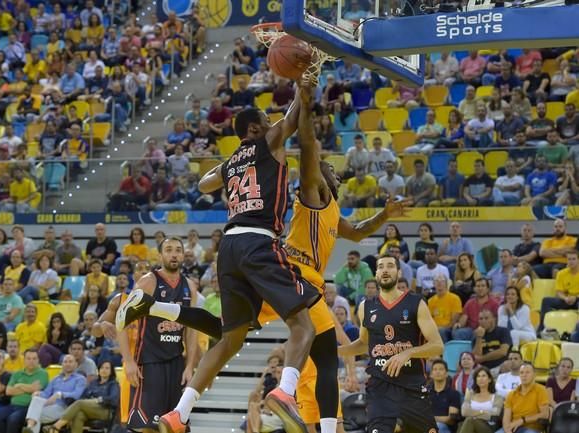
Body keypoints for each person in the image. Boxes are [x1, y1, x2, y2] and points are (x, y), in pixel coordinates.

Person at [118, 85, 321, 433]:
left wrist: (229, 168)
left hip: (228, 247)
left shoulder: (230, 164)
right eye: (265, 120)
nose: (272, 123)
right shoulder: (268, 141)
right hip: (259, 241)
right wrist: (306, 84)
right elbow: (293, 117)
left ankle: (178, 414)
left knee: (230, 338)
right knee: (304, 326)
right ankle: (285, 392)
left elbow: (203, 185)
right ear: (255, 129)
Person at [338, 255, 444, 433]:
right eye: (381, 267)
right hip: (381, 387)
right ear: (376, 273)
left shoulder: (415, 303)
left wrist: (407, 353)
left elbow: (437, 345)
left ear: (399, 272)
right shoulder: (366, 306)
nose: (385, 270)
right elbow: (365, 344)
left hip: (412, 385)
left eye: (390, 266)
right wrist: (336, 350)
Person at [112, 238, 199, 432]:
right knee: (146, 427)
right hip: (148, 364)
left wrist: (190, 365)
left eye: (178, 250)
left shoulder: (190, 287)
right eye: (168, 250)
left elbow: (191, 330)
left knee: (175, 427)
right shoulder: (148, 282)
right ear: (160, 256)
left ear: (183, 255)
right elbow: (122, 320)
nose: (174, 254)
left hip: (176, 364)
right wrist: (129, 362)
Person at [43, 361, 119, 433]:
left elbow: (114, 400)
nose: (104, 370)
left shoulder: (113, 384)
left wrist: (99, 400)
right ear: (98, 370)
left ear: (111, 371)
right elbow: (83, 396)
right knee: (79, 414)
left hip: (105, 410)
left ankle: (56, 426)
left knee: (80, 403)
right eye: (102, 368)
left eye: (107, 368)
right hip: (89, 407)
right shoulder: (93, 383)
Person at [0, 349, 50, 433]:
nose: (31, 361)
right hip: (12, 405)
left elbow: (35, 389)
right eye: (29, 358)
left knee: (12, 419)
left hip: (28, 407)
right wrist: (29, 388)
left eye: (34, 359)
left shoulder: (43, 373)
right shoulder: (17, 373)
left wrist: (19, 385)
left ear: (38, 360)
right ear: (24, 360)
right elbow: (8, 391)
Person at [21, 354, 86, 433]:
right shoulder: (56, 378)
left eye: (70, 362)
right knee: (36, 399)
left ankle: (30, 427)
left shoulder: (80, 379)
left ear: (76, 364)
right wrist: (38, 393)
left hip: (65, 406)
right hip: (49, 404)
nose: (68, 364)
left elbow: (77, 394)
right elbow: (46, 393)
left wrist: (60, 394)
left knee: (35, 415)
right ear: (62, 364)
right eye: (65, 362)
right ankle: (30, 427)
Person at [498, 363, 549, 433]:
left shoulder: (541, 390)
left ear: (534, 375)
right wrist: (507, 430)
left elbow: (545, 414)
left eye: (527, 372)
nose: (524, 375)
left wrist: (522, 420)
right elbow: (506, 419)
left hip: (531, 428)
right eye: (521, 372)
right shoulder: (511, 394)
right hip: (512, 428)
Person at [539, 250, 579, 332]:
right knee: (546, 301)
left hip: (577, 299)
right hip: (567, 299)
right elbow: (559, 292)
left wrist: (576, 297)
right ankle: (543, 328)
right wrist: (565, 298)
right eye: (569, 259)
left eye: (573, 259)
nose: (571, 261)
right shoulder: (561, 273)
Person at [458, 366, 504, 433]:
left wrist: (472, 413)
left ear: (489, 379)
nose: (481, 378)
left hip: (488, 427)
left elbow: (494, 415)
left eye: (483, 376)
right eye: (478, 376)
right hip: (470, 425)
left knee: (470, 420)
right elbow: (464, 412)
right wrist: (482, 412)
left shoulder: (497, 397)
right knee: (469, 421)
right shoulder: (470, 394)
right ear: (476, 380)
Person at [472, 309, 512, 376]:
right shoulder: (477, 334)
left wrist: (482, 358)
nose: (483, 321)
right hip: (482, 369)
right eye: (481, 319)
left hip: (500, 366)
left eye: (486, 318)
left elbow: (503, 352)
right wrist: (479, 337)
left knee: (508, 365)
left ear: (493, 319)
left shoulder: (503, 331)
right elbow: (476, 356)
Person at [428, 274, 462, 342]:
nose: (439, 283)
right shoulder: (430, 301)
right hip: (434, 330)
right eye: (437, 281)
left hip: (448, 330)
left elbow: (454, 321)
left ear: (446, 284)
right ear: (434, 284)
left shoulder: (454, 298)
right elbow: (428, 320)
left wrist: (441, 328)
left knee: (441, 331)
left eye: (442, 281)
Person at [429, 359, 461, 433]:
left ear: (446, 373)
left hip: (446, 429)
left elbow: (450, 420)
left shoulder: (454, 394)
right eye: (435, 369)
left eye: (441, 369)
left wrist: (430, 418)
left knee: (438, 425)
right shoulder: (426, 393)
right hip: (428, 426)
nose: (438, 371)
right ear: (431, 374)